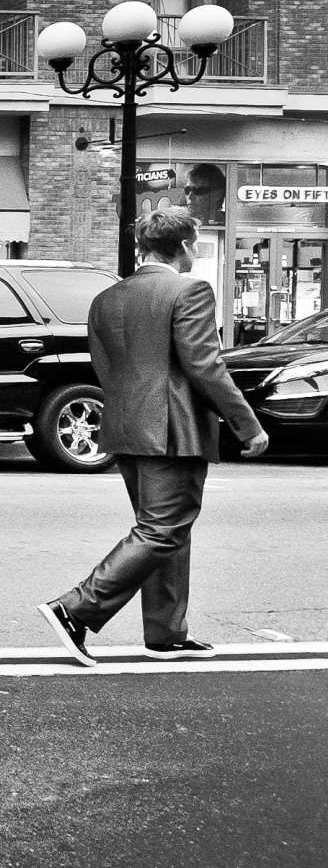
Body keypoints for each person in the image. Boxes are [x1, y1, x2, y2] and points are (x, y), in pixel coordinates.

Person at [38, 207, 267, 665]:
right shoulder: (190, 290)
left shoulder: (107, 297)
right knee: (163, 529)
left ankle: (166, 632)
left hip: (124, 426)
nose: (196, 251)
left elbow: (104, 368)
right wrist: (248, 424)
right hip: (172, 429)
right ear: (183, 246)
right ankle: (76, 608)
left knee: (165, 530)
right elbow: (205, 365)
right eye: (195, 243)